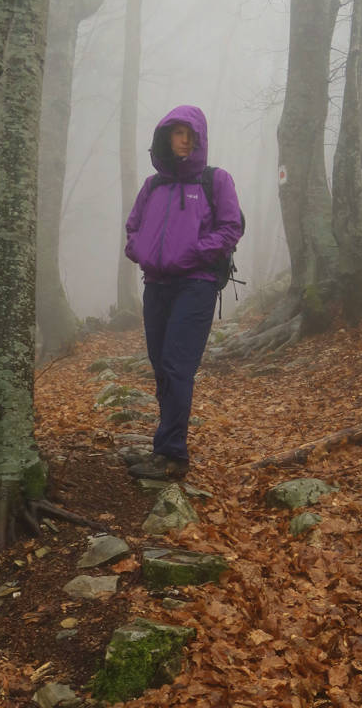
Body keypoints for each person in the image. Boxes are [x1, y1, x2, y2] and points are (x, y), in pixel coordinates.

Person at [124, 105, 243, 480]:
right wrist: (138, 250)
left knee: (177, 365)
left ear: (200, 139)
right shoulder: (153, 185)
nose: (184, 140)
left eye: (190, 134)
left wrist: (193, 252)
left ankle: (172, 455)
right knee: (161, 365)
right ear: (165, 137)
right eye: (177, 133)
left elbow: (231, 227)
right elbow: (133, 227)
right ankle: (164, 445)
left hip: (196, 285)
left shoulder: (215, 180)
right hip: (156, 284)